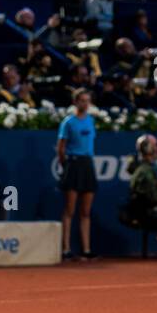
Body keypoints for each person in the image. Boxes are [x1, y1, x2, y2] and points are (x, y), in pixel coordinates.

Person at [57, 88, 97, 259]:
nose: (85, 104)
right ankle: (66, 249)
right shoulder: (68, 122)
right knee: (70, 210)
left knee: (86, 212)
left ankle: (86, 250)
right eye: (82, 100)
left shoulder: (91, 121)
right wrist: (67, 165)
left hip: (88, 165)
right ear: (75, 102)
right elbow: (61, 148)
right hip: (73, 165)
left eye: (87, 101)